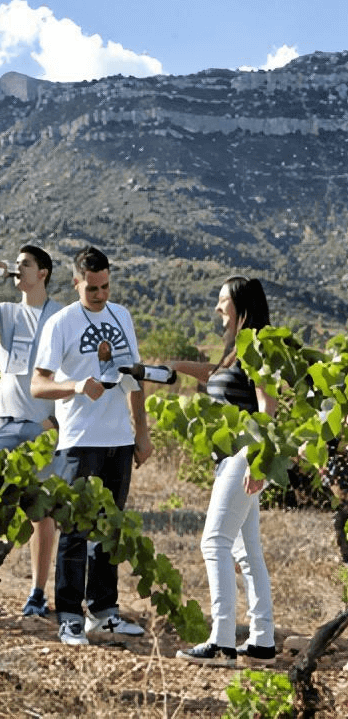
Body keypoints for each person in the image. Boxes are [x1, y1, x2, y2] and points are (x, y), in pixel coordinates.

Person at [31, 246, 152, 645]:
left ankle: (104, 612)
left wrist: (142, 432)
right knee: (74, 531)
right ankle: (68, 615)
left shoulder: (123, 317)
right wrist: (75, 386)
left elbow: (134, 378)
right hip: (79, 442)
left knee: (110, 532)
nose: (100, 295)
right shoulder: (62, 323)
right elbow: (38, 384)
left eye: (105, 287)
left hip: (119, 439)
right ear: (76, 282)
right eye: (92, 288)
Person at [173, 277, 276, 666]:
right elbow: (215, 375)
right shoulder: (236, 351)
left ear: (241, 307)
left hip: (244, 454)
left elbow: (269, 407)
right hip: (233, 458)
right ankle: (262, 640)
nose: (217, 308)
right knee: (246, 550)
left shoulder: (256, 347)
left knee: (213, 542)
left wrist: (260, 460)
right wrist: (175, 367)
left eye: (223, 302)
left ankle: (221, 642)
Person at [0, 245, 63, 617]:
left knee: (44, 511)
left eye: (26, 265)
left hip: (44, 427)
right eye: (17, 265)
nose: (18, 270)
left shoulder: (61, 316)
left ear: (43, 273)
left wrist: (52, 424)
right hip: (4, 424)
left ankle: (37, 593)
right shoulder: (5, 313)